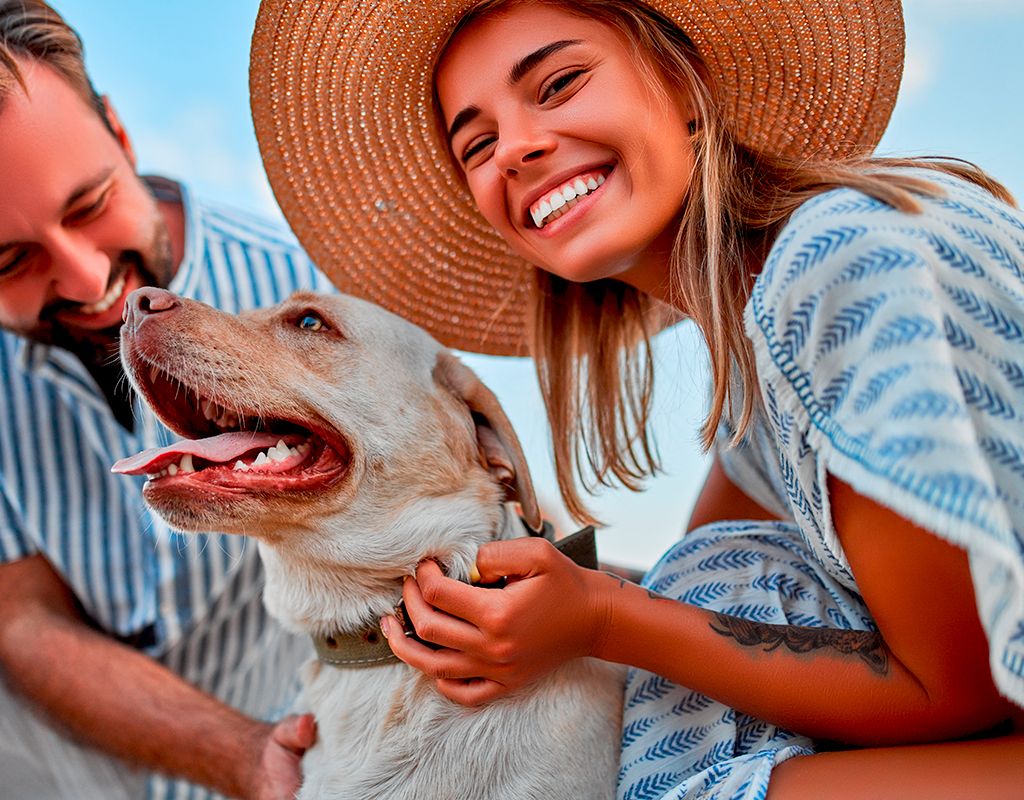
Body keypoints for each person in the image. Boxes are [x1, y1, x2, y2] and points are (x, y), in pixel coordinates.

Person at [250, 0, 1024, 797]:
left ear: (686, 83)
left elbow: (958, 690)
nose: (517, 146)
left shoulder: (834, 271)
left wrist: (601, 619)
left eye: (560, 83)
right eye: (478, 143)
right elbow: (676, 594)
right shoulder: (757, 375)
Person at [0, 1, 331, 798]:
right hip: (63, 735)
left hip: (305, 727)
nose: (89, 282)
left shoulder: (299, 292)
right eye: (5, 264)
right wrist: (236, 755)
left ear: (119, 135)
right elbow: (23, 620)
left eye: (89, 205)